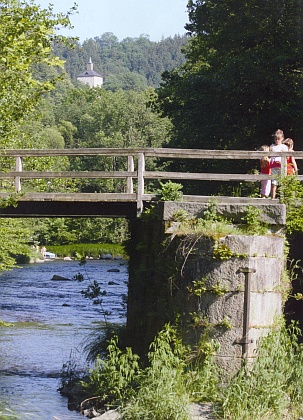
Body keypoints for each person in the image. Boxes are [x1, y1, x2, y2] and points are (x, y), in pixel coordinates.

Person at [269, 129, 288, 199]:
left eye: (278, 139)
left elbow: (287, 157)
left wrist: (284, 153)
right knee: (274, 182)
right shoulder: (272, 146)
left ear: (282, 139)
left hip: (281, 166)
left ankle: (283, 197)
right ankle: (273, 198)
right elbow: (269, 156)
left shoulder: (284, 147)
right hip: (274, 166)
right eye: (276, 139)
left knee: (283, 182)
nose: (277, 140)